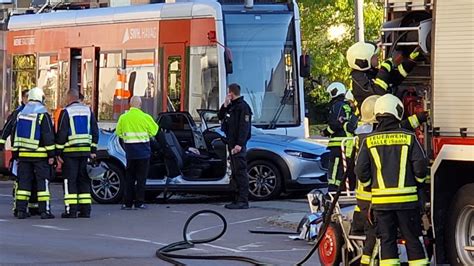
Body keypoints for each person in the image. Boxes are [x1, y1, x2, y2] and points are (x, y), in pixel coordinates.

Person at [355, 94, 429, 265]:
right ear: (397, 111)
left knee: (387, 241)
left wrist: (369, 187)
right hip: (407, 202)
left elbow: (360, 169)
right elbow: (420, 165)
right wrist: (418, 183)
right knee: (412, 239)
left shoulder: (369, 140)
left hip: (381, 204)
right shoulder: (408, 137)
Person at [346, 42, 428, 130]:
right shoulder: (358, 79)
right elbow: (378, 92)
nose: (377, 58)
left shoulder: (370, 72)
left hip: (386, 119)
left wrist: (411, 60)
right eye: (373, 57)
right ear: (364, 61)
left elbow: (395, 79)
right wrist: (385, 67)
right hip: (374, 124)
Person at [11, 87, 55, 219]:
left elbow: (15, 135)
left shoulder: (21, 113)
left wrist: (16, 154)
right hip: (40, 156)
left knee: (24, 183)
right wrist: (52, 154)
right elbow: (48, 136)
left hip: (23, 156)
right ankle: (44, 211)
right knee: (42, 183)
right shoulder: (43, 114)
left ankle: (21, 210)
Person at [56, 90, 99, 218]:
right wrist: (93, 151)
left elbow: (62, 133)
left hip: (70, 154)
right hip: (85, 154)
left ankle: (71, 210)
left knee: (70, 181)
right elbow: (95, 132)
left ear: (70, 98)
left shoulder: (66, 112)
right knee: (84, 180)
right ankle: (86, 210)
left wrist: (58, 152)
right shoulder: (88, 111)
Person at [349, 95, 380, 265]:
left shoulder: (359, 136)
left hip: (362, 194)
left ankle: (366, 260)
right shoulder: (374, 137)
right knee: (374, 233)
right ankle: (367, 262)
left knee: (369, 228)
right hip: (374, 194)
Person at [0, 90, 41, 217]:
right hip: (20, 153)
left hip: (35, 153)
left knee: (33, 181)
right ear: (23, 98)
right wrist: (1, 143)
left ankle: (33, 207)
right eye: (28, 98)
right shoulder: (18, 113)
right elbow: (7, 128)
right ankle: (18, 207)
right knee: (21, 181)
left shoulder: (37, 111)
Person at [116, 96, 158, 210]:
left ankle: (127, 203)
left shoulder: (123, 118)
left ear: (130, 105)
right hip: (143, 152)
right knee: (141, 178)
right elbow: (155, 131)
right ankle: (139, 202)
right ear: (140, 105)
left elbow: (118, 132)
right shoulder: (145, 117)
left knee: (129, 177)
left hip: (130, 152)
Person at [218, 83, 252, 210]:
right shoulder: (231, 106)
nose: (228, 95)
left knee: (240, 172)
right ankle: (237, 199)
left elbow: (244, 127)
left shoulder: (243, 108)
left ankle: (243, 200)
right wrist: (225, 105)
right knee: (235, 172)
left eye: (228, 93)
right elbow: (220, 116)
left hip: (237, 145)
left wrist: (239, 144)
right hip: (231, 143)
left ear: (231, 93)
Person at [321, 82, 358, 191]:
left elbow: (335, 124)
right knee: (347, 170)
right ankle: (347, 190)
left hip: (337, 145)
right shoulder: (347, 106)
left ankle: (332, 191)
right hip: (348, 144)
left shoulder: (336, 106)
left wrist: (325, 132)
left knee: (335, 171)